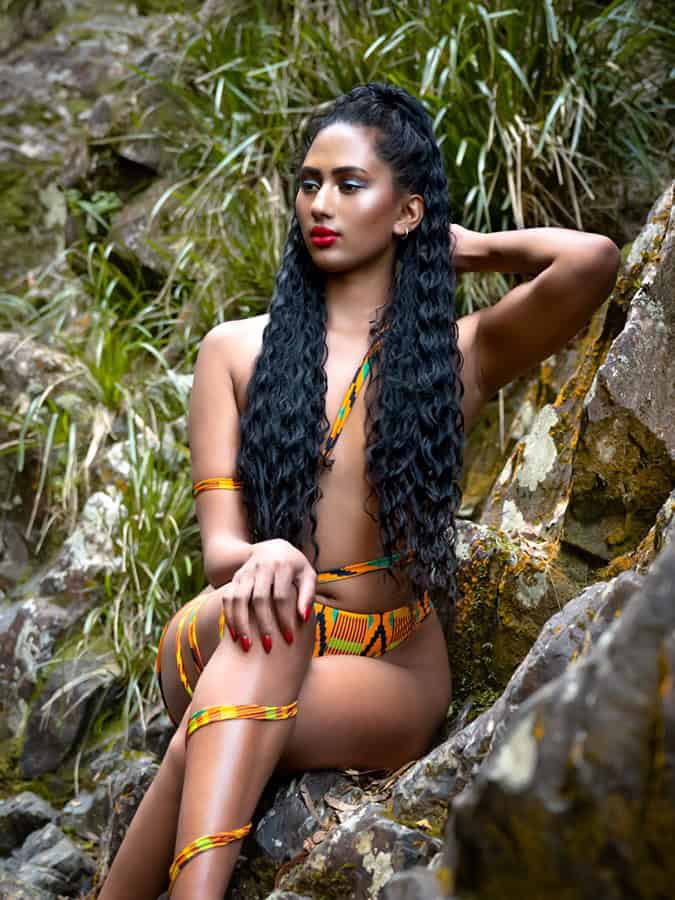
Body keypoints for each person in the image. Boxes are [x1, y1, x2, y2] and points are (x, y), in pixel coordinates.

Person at [98, 82, 619, 899]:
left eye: (349, 184)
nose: (320, 203)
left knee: (216, 724)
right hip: (233, 625)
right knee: (273, 621)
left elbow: (591, 260)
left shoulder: (457, 356)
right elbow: (220, 549)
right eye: (309, 183)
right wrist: (266, 554)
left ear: (407, 211)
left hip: (390, 669)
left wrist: (464, 249)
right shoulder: (234, 351)